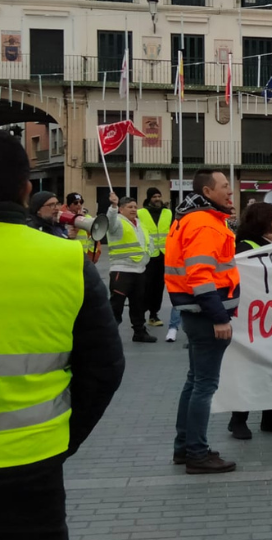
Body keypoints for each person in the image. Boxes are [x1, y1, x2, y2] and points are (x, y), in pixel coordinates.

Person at [0, 131, 125, 540]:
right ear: (26, 189)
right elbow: (105, 367)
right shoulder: (65, 261)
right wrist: (62, 439)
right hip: (32, 458)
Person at [165, 169, 241, 474]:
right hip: (206, 316)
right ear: (208, 192)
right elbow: (201, 276)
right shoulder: (204, 224)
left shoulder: (189, 219)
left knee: (194, 382)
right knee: (204, 386)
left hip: (194, 315)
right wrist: (220, 318)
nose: (230, 192)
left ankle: (185, 447)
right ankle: (197, 453)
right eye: (225, 187)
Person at [226, 203, 272, 440]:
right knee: (248, 370)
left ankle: (271, 416)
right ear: (264, 222)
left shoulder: (267, 242)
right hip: (251, 319)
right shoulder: (244, 247)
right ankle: (238, 419)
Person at [106, 192, 158, 343]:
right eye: (130, 207)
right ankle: (109, 335)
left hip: (139, 270)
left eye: (135, 206)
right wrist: (113, 206)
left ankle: (139, 332)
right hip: (122, 270)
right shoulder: (117, 223)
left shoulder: (139, 224)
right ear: (121, 209)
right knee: (116, 305)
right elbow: (110, 220)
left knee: (138, 304)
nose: (134, 209)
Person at [139, 187, 173, 327]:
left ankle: (154, 314)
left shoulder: (168, 212)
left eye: (159, 196)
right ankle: (140, 313)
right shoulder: (141, 213)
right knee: (145, 286)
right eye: (154, 197)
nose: (157, 199)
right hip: (148, 255)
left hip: (163, 255)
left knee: (159, 287)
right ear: (149, 198)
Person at [64, 193, 102, 262]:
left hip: (85, 255)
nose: (79, 205)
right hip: (71, 255)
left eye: (81, 202)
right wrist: (79, 220)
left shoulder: (87, 217)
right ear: (68, 206)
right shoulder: (64, 218)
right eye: (75, 203)